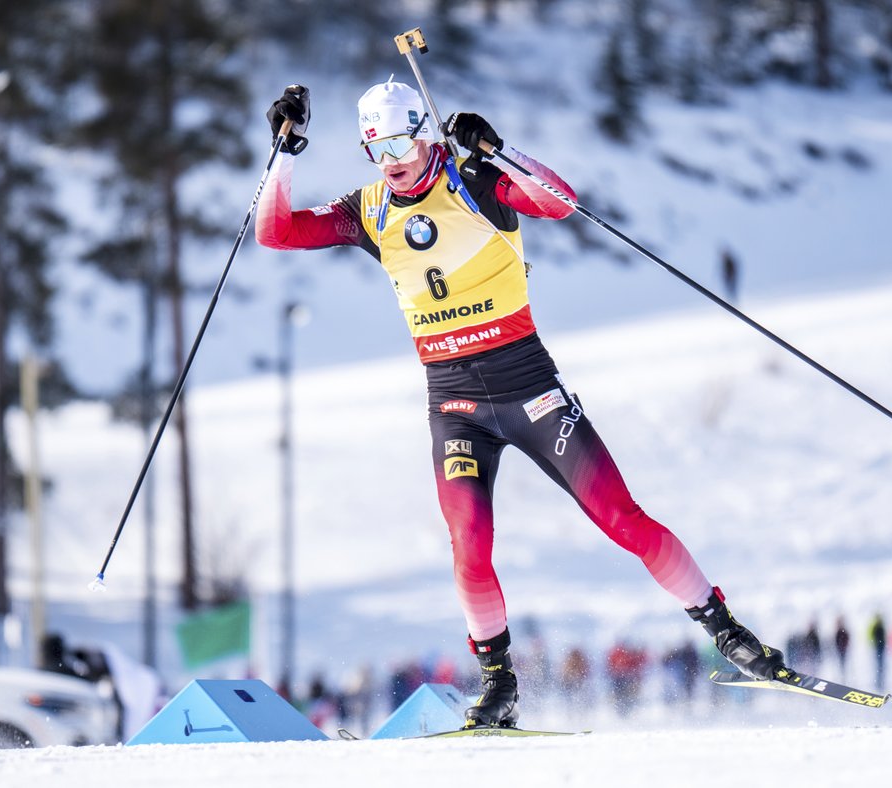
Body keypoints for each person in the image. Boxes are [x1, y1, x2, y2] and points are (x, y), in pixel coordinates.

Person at [255, 80, 785, 728]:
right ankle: (498, 681)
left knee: (620, 517)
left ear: (424, 132)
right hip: (454, 407)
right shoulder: (370, 210)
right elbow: (276, 233)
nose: (388, 157)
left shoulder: (476, 183)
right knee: (469, 543)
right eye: (374, 146)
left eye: (397, 140)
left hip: (527, 388)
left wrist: (500, 152)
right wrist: (284, 152)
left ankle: (728, 634)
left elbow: (559, 202)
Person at [868, 612, 886, 690]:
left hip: (881, 648)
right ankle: (878, 682)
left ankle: (880, 682)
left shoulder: (880, 625)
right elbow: (871, 636)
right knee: (878, 666)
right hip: (878, 648)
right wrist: (875, 644)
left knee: (880, 666)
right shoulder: (876, 626)